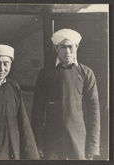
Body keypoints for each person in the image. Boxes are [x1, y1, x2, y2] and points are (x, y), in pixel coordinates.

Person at [31, 29, 100, 160]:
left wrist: (92, 146)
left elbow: (94, 111)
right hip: (51, 141)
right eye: (63, 47)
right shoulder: (45, 74)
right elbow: (37, 112)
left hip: (78, 141)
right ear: (56, 48)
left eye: (70, 47)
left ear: (77, 47)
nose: (67, 52)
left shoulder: (86, 73)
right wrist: (38, 144)